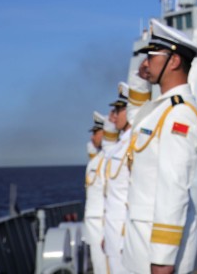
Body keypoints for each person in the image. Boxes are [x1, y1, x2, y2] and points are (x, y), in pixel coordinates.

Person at [122, 18, 197, 274]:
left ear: (174, 61)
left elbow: (174, 185)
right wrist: (139, 78)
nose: (146, 63)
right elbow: (135, 117)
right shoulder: (161, 108)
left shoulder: (180, 114)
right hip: (141, 236)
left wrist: (163, 259)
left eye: (151, 56)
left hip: (156, 248)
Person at [103, 85, 133, 274]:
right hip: (113, 231)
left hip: (124, 233)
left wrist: (125, 238)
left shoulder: (134, 143)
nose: (112, 116)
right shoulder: (120, 145)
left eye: (117, 110)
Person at [84, 112, 110, 274]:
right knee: (99, 266)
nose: (92, 137)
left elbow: (111, 196)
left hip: (103, 225)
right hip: (95, 226)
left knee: (105, 267)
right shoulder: (98, 159)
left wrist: (108, 232)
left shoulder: (108, 160)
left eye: (96, 132)